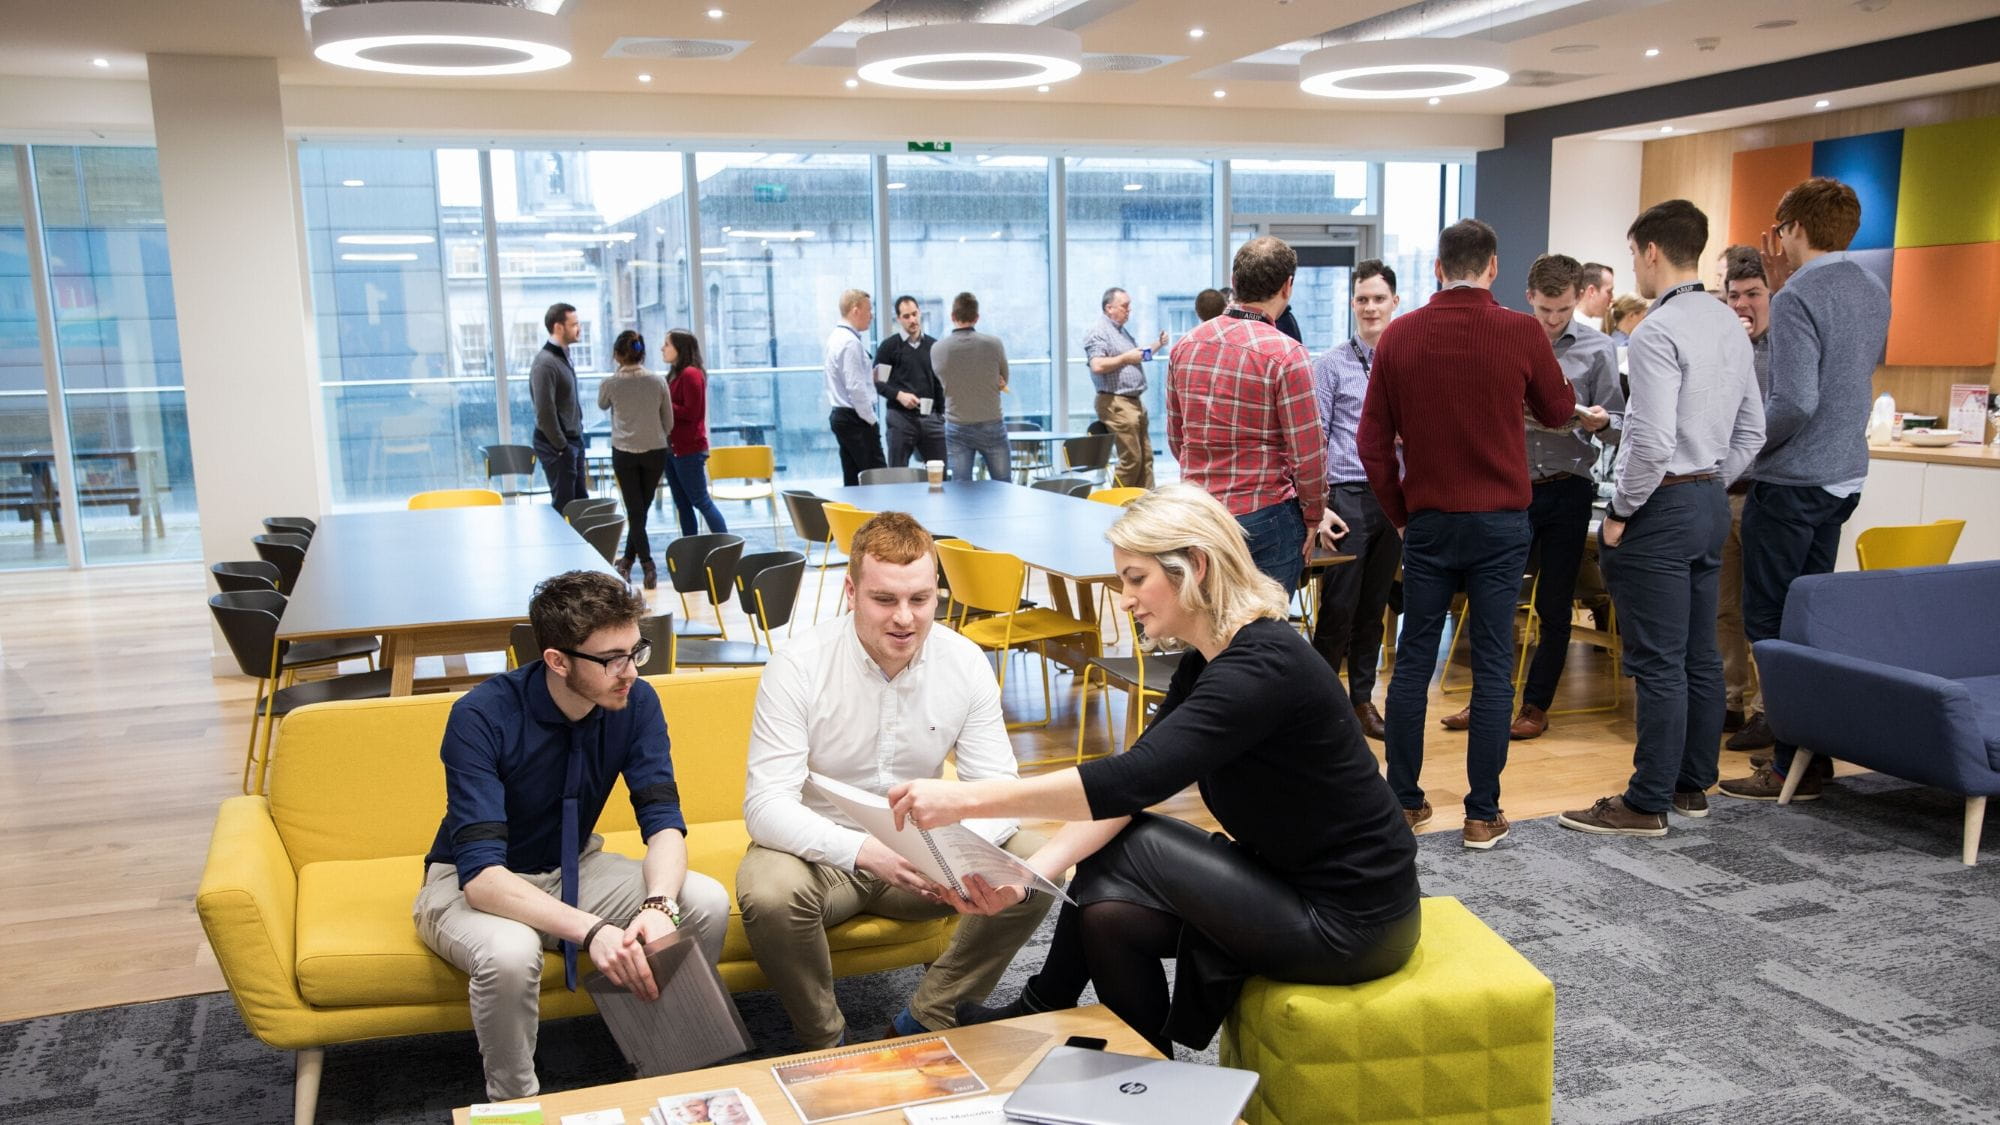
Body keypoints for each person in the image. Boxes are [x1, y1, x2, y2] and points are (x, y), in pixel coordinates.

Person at [887, 485, 1421, 1058]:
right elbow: (1125, 791)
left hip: (1354, 923)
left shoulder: (1264, 666)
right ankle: (1146, 1069)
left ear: (1196, 566)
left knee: (1134, 847)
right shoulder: (1209, 660)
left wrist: (965, 801)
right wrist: (1025, 879)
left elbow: (1131, 782)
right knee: (1106, 913)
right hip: (1291, 888)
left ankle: (1047, 1005)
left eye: (1136, 578)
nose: (1125, 599)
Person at [735, 512, 1052, 1049]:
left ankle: (926, 1019)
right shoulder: (799, 663)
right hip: (823, 858)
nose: (905, 618)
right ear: (851, 590)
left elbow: (997, 785)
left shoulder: (964, 661)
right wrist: (866, 850)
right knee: (768, 893)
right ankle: (826, 1041)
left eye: (921, 599)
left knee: (1037, 866)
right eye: (885, 600)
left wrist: (957, 857)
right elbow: (766, 804)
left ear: (937, 593)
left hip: (928, 856)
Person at [413, 570, 731, 1101]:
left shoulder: (637, 702)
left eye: (635, 651)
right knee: (511, 953)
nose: (629, 672)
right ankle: (516, 1103)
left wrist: (658, 904)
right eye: (611, 659)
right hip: (475, 881)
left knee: (703, 900)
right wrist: (595, 931)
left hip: (574, 867)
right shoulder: (479, 717)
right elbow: (483, 881)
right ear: (557, 661)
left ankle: (666, 1074)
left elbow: (665, 824)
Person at [1358, 218, 1574, 849]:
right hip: (1502, 522)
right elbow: (1560, 411)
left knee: (1413, 661)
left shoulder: (1400, 336)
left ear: (1435, 267)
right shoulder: (1520, 331)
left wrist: (1402, 512)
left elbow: (1372, 445)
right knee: (1494, 665)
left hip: (1428, 521)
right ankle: (1482, 813)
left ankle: (1403, 802)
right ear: (1494, 268)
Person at [1557, 199, 1764, 837]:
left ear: (1650, 251)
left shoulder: (1655, 330)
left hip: (1662, 504)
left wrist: (1619, 511)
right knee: (1699, 654)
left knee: (1656, 662)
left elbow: (1649, 443)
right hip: (1707, 500)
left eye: (1633, 255)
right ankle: (1690, 785)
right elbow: (1752, 429)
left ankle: (1646, 802)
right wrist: (1708, 477)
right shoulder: (1731, 323)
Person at [1720, 177, 1891, 803]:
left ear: (1792, 229)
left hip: (1792, 481)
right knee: (1810, 620)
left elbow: (1793, 401)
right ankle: (1812, 762)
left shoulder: (1797, 299)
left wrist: (1743, 447)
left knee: (1771, 622)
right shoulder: (1872, 289)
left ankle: (1790, 760)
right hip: (1844, 476)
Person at [1439, 254, 1622, 740]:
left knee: (1555, 604)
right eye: (1544, 311)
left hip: (1569, 486)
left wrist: (1602, 422)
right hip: (1510, 487)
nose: (1553, 320)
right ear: (1529, 299)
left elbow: (1621, 428)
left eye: (1562, 310)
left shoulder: (1600, 349)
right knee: (1491, 598)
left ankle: (1536, 705)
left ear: (1579, 297)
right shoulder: (1506, 338)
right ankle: (1484, 702)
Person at [1167, 235, 1338, 596]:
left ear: (1234, 279)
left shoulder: (1186, 346)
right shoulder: (1288, 355)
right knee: (1263, 637)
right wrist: (1313, 515)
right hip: (1264, 517)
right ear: (1287, 286)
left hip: (1199, 515)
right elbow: (1308, 455)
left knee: (1209, 629)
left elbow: (1176, 438)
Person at [1309, 259, 1404, 741]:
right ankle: (1321, 706)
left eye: (1378, 298)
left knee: (1375, 606)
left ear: (1395, 303)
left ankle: (1363, 700)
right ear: (1353, 305)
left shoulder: (1409, 359)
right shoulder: (1331, 364)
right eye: (1362, 299)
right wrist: (1320, 505)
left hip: (1395, 499)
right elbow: (1317, 438)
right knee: (1339, 606)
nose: (1370, 307)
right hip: (1345, 496)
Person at [1717, 247, 1773, 749]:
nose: (1742, 305)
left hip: (1762, 493)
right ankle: (1731, 700)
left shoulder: (1782, 349)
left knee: (1759, 611)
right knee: (1723, 607)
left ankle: (1764, 709)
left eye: (1753, 294)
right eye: (1734, 295)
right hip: (1723, 491)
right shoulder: (1729, 349)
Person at [597, 330, 674, 589]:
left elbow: (601, 405)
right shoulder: (658, 381)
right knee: (640, 512)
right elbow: (669, 422)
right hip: (655, 450)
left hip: (624, 451)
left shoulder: (611, 383)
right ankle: (628, 563)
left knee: (635, 511)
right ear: (642, 353)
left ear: (617, 354)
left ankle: (646, 564)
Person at [1083, 287, 1165, 489]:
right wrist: (1126, 357)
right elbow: (1097, 365)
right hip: (1116, 402)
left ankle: (1144, 505)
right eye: (1125, 306)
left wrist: (1158, 344)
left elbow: (1139, 356)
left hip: (1134, 401)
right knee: (1131, 460)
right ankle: (1115, 508)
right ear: (1109, 308)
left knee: (1146, 459)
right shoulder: (1099, 332)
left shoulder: (1121, 332)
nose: (1129, 310)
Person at [930, 291, 1012, 483]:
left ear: (952, 317)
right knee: (1004, 485)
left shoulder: (938, 348)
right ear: (976, 317)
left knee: (961, 489)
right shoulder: (994, 344)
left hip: (957, 425)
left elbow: (942, 380)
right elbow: (1003, 379)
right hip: (991, 422)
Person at [661, 328, 728, 539]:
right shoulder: (675, 374)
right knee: (682, 504)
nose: (662, 348)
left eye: (667, 344)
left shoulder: (691, 374)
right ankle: (690, 548)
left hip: (688, 447)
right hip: (672, 447)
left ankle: (727, 545)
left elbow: (691, 411)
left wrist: (663, 405)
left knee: (700, 500)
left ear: (680, 348)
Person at [875, 296, 947, 467]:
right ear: (899, 319)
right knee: (898, 474)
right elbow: (879, 382)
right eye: (906, 316)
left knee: (939, 473)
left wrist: (941, 414)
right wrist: (899, 395)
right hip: (900, 419)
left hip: (931, 419)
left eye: (915, 314)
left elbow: (939, 383)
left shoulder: (933, 346)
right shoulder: (889, 347)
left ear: (920, 313)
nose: (912, 320)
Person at [530, 302, 587, 510]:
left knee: (580, 504)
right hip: (559, 446)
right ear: (558, 327)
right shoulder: (545, 363)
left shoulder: (563, 357)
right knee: (565, 506)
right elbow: (545, 412)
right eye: (574, 324)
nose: (579, 329)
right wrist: (562, 447)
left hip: (572, 442)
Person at [825, 289, 885, 486]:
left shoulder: (837, 336)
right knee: (877, 480)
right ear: (856, 310)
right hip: (856, 419)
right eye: (869, 309)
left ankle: (856, 517)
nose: (872, 315)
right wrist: (871, 419)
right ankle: (881, 517)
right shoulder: (850, 342)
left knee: (853, 479)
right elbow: (855, 387)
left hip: (844, 416)